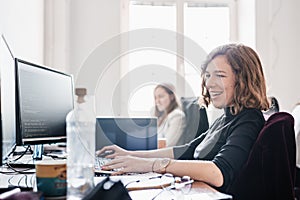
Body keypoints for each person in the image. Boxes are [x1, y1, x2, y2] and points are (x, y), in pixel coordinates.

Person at [97, 43, 269, 193]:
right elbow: (186, 150)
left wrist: (151, 165)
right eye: (208, 75)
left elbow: (219, 173)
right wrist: (131, 155)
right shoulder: (226, 118)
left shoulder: (249, 120)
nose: (209, 83)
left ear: (244, 80)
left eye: (220, 75)